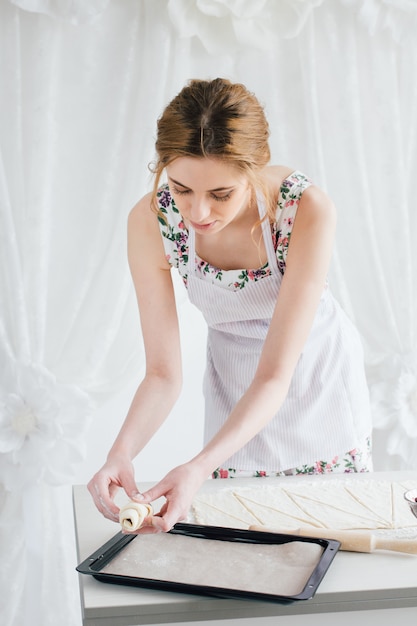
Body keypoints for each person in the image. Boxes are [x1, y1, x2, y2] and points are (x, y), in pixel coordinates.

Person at [88, 78, 373, 533]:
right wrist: (120, 453)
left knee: (330, 531)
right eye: (181, 189)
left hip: (312, 374)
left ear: (254, 170)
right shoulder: (152, 221)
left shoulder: (304, 209)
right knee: (242, 534)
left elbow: (276, 374)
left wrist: (197, 465)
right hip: (233, 378)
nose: (198, 212)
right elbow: (163, 374)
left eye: (221, 194)